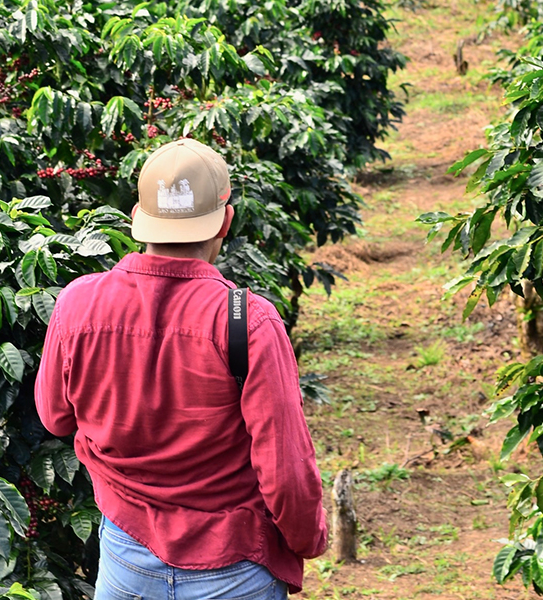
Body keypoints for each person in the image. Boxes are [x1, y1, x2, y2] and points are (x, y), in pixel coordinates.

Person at [34, 138, 327, 599]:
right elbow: (285, 470)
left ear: (136, 217)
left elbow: (54, 416)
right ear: (225, 221)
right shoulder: (246, 320)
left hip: (125, 560)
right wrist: (306, 540)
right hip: (233, 568)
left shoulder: (78, 303)